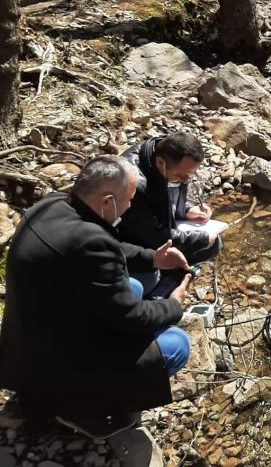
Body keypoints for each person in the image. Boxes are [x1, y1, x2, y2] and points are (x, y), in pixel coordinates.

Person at [0, 156, 192, 439]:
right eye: (127, 200)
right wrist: (173, 305)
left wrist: (154, 258)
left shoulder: (51, 206)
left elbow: (107, 249)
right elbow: (133, 318)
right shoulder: (92, 244)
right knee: (177, 344)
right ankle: (79, 410)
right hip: (58, 369)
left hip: (25, 347)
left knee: (135, 288)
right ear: (107, 202)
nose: (129, 207)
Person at [117, 132, 222, 295]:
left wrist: (186, 210)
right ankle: (161, 286)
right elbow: (153, 236)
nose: (185, 180)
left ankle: (170, 273)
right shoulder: (134, 183)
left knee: (214, 243)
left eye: (190, 175)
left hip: (151, 231)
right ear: (160, 163)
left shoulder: (165, 158)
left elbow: (165, 198)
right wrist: (200, 239)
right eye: (181, 176)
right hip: (130, 245)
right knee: (146, 281)